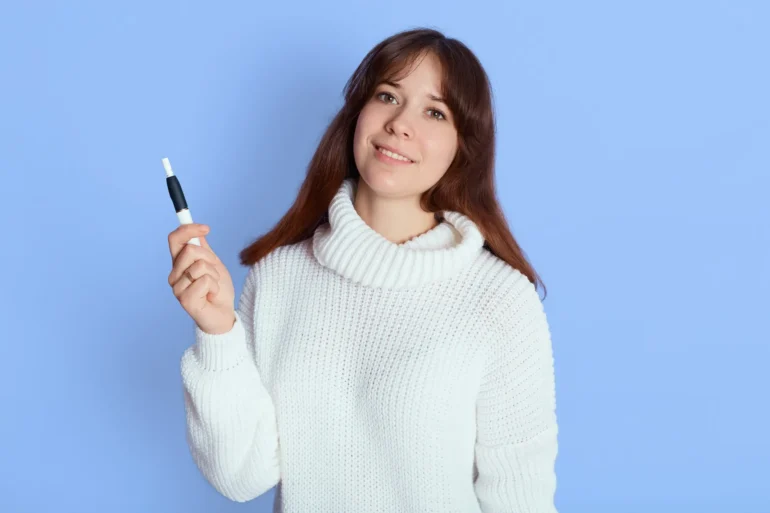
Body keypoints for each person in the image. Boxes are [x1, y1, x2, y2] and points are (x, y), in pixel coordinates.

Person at [168, 27, 559, 513]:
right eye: (387, 96)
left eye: (435, 112)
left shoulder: (499, 299)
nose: (400, 124)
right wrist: (217, 334)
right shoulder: (278, 279)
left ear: (463, 148)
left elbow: (521, 497)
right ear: (357, 114)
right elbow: (240, 477)